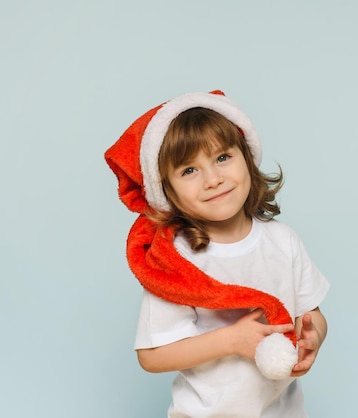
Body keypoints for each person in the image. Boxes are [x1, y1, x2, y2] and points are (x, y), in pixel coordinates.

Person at [105, 91, 330, 417]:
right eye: (188, 171)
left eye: (222, 157)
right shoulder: (174, 262)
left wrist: (313, 339)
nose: (213, 180)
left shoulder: (283, 241)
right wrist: (233, 341)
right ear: (166, 193)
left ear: (247, 157)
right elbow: (151, 356)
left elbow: (312, 313)